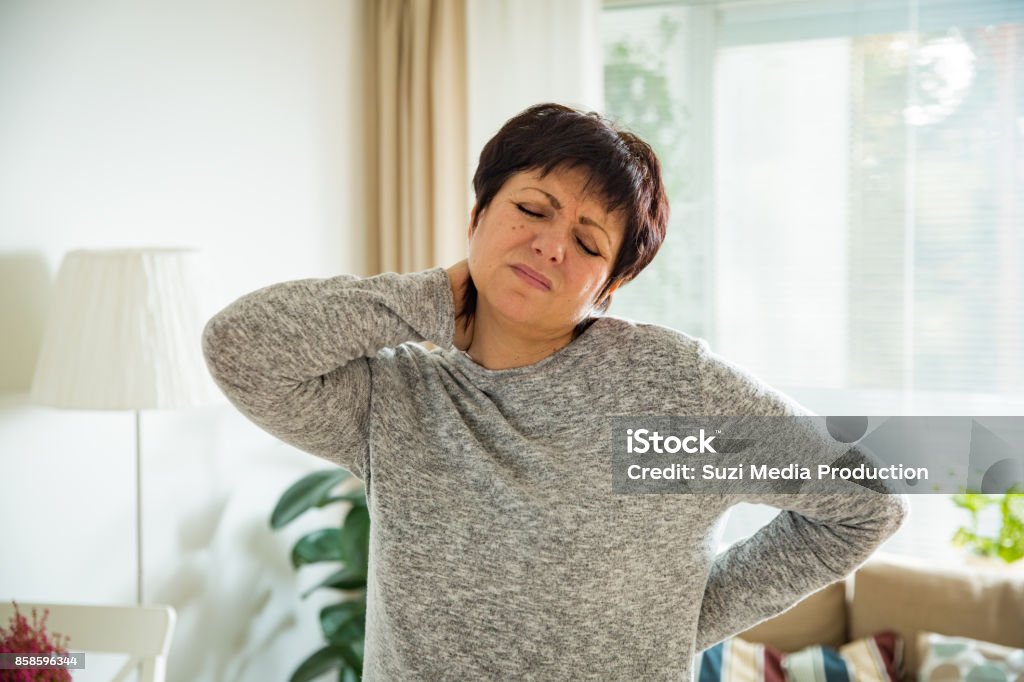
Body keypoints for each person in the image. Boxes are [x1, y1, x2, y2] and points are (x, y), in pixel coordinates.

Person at [202, 103, 908, 680]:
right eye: (532, 209)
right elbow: (241, 348)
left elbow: (862, 504)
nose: (550, 246)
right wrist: (438, 294)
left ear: (609, 287)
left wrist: (688, 616)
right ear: (477, 214)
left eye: (590, 242)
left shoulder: (666, 390)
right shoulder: (399, 401)